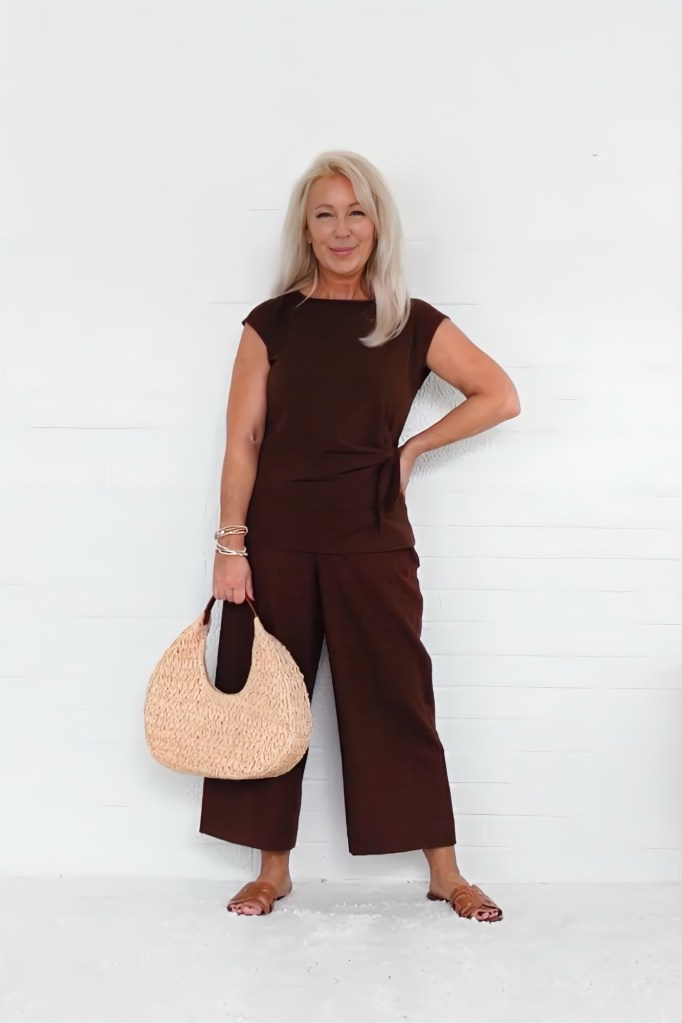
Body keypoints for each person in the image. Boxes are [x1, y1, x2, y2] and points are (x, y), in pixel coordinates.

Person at [199, 150, 521, 922]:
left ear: (378, 224)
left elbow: (499, 394)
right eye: (325, 214)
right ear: (305, 230)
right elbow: (243, 437)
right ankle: (271, 872)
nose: (342, 229)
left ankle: (445, 871)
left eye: (356, 212)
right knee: (268, 705)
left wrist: (411, 449)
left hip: (373, 538)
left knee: (397, 699)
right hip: (275, 540)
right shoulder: (272, 322)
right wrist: (230, 544)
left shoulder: (407, 320)